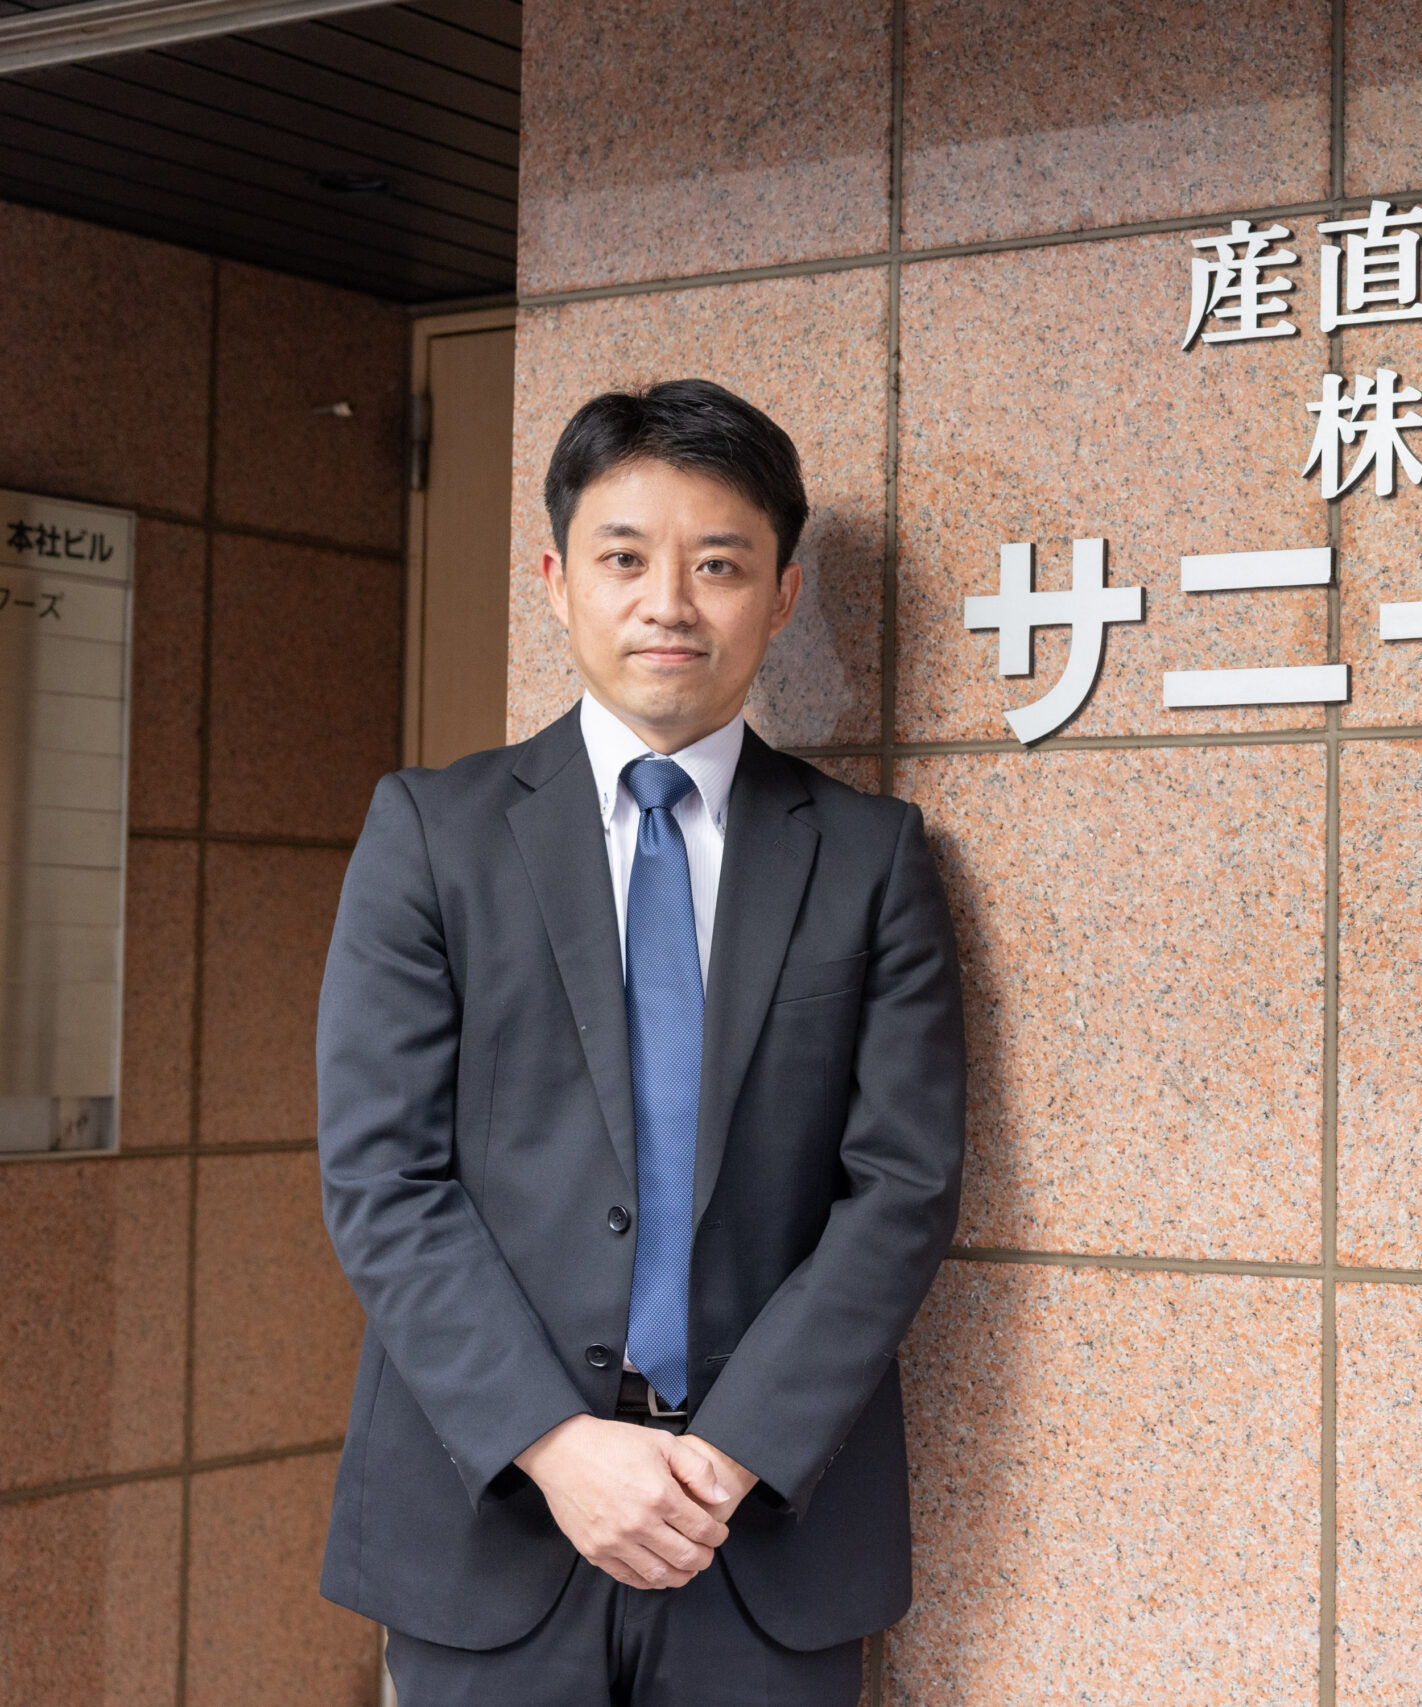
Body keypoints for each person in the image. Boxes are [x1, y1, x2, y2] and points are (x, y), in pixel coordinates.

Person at [314, 378, 964, 1704]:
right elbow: (382, 1177)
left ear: (781, 597)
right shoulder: (432, 836)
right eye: (624, 559)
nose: (670, 603)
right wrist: (556, 1444)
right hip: (493, 1516)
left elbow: (901, 1186)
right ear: (557, 584)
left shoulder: (869, 858)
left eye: (719, 564)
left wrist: (729, 1455)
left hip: (760, 1531)